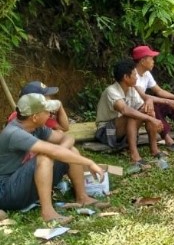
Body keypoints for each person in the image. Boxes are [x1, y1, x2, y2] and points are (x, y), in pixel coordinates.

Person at [0, 93, 105, 224]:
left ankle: (82, 197)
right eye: (46, 111)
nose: (50, 114)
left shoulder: (36, 128)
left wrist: (63, 150)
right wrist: (89, 162)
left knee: (71, 151)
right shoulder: (14, 133)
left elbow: (68, 137)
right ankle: (48, 212)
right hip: (6, 191)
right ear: (35, 117)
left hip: (21, 184)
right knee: (44, 158)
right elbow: (54, 151)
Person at [95, 59, 164, 166]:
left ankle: (154, 150)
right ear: (126, 77)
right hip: (106, 132)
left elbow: (142, 107)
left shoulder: (132, 89)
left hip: (121, 130)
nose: (137, 77)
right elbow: (124, 110)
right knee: (131, 115)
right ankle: (134, 155)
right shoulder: (111, 91)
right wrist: (151, 119)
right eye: (134, 75)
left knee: (147, 111)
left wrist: (150, 110)